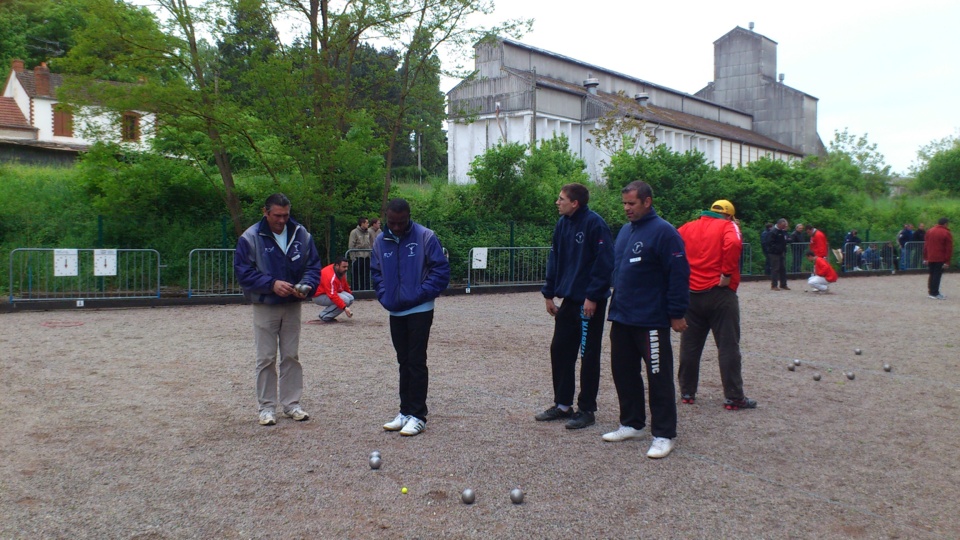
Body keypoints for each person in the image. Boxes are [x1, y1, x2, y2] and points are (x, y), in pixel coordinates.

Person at [603, 181, 688, 459]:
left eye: (632, 203)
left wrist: (676, 312)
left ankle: (664, 434)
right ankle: (632, 423)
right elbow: (619, 271)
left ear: (647, 202)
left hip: (651, 320)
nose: (626, 209)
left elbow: (678, 274)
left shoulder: (665, 233)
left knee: (658, 376)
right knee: (624, 372)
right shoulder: (626, 231)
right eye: (624, 203)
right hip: (622, 316)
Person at [234, 193, 321, 426]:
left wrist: (306, 285)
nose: (282, 220)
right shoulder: (250, 237)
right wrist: (271, 284)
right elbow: (243, 272)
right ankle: (266, 408)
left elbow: (313, 266)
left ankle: (292, 404)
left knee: (291, 355)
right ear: (265, 212)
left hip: (292, 305)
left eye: (286, 215)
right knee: (266, 357)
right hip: (265, 305)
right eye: (277, 216)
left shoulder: (302, 234)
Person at [537, 183, 614, 430]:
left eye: (561, 199)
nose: (557, 202)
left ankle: (587, 409)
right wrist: (549, 294)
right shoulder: (563, 224)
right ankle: (562, 405)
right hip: (570, 300)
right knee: (559, 349)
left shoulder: (595, 224)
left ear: (575, 203)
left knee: (587, 354)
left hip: (590, 302)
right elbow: (555, 258)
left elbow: (604, 263)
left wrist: (592, 295)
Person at [371, 198, 450, 437]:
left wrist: (419, 294)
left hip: (420, 309)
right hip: (395, 309)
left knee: (416, 361)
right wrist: (385, 296)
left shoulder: (426, 236)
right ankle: (404, 411)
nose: (396, 227)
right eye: (392, 222)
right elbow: (376, 272)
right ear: (386, 218)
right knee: (403, 361)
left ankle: (418, 415)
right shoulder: (379, 240)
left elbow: (441, 271)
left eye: (401, 222)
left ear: (409, 217)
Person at [678, 199, 758, 411]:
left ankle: (687, 392)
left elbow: (672, 244)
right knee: (728, 346)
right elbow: (733, 244)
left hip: (691, 293)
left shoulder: (688, 226)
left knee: (690, 345)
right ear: (730, 215)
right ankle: (733, 397)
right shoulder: (728, 226)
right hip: (720, 293)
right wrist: (727, 273)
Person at [312, 257, 354, 322]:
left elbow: (345, 285)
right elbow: (332, 295)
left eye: (347, 267)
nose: (346, 269)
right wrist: (344, 307)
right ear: (337, 266)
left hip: (327, 293)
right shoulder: (330, 276)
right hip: (319, 296)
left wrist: (349, 293)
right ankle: (324, 315)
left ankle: (328, 314)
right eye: (344, 267)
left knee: (350, 298)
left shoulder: (339, 271)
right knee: (345, 300)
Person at [922, 217, 953, 300]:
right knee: (937, 275)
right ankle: (935, 293)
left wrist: (925, 257)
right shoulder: (946, 232)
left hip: (930, 257)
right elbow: (948, 248)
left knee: (931, 274)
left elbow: (925, 246)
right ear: (945, 224)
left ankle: (931, 292)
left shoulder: (929, 231)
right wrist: (947, 261)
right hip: (940, 257)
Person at [348, 217, 372, 290]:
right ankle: (355, 290)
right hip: (358, 257)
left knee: (366, 276)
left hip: (367, 257)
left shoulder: (368, 232)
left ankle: (366, 290)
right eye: (367, 223)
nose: (368, 224)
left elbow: (369, 243)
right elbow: (351, 245)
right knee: (355, 276)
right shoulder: (354, 232)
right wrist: (353, 258)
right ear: (362, 224)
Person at [767, 218, 790, 290]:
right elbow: (770, 242)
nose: (784, 227)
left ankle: (783, 284)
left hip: (781, 252)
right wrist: (777, 248)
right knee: (775, 269)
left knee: (783, 268)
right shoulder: (773, 231)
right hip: (774, 253)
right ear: (779, 224)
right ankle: (774, 285)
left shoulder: (782, 231)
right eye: (783, 225)